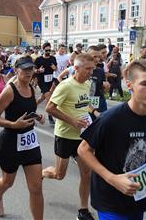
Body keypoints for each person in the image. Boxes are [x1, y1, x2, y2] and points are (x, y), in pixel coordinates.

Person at [78, 60, 146, 220]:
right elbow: (83, 149)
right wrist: (112, 178)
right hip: (110, 194)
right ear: (130, 85)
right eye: (145, 84)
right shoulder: (111, 118)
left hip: (138, 192)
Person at [0, 56, 45, 219]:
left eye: (31, 69)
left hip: (30, 142)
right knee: (8, 182)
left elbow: (27, 110)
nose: (29, 72)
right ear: (16, 70)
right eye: (25, 69)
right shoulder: (9, 90)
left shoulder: (31, 87)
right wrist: (14, 125)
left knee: (36, 187)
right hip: (11, 142)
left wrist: (37, 116)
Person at [42, 53, 95, 220]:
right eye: (88, 69)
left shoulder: (87, 84)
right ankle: (42, 174)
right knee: (59, 174)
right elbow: (49, 108)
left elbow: (84, 105)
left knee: (87, 174)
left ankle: (83, 210)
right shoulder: (65, 86)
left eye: (92, 68)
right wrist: (72, 121)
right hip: (65, 136)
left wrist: (93, 114)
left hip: (82, 137)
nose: (90, 72)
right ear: (76, 68)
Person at [34, 42, 57, 125]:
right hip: (41, 81)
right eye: (46, 50)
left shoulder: (53, 58)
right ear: (43, 50)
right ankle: (50, 117)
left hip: (50, 81)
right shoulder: (38, 59)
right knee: (49, 97)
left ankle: (31, 107)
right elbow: (33, 70)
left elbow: (56, 68)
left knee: (42, 98)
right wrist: (39, 71)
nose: (48, 52)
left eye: (49, 50)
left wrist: (55, 68)